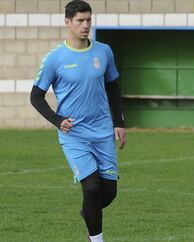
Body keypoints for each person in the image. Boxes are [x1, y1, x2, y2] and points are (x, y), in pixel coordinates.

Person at [30, 1, 126, 241]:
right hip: (74, 135)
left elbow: (113, 86)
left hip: (103, 132)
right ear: (67, 23)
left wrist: (119, 122)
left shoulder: (104, 51)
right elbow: (36, 96)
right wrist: (57, 119)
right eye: (80, 20)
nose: (86, 25)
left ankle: (87, 211)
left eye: (88, 20)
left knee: (108, 193)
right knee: (91, 188)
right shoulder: (55, 58)